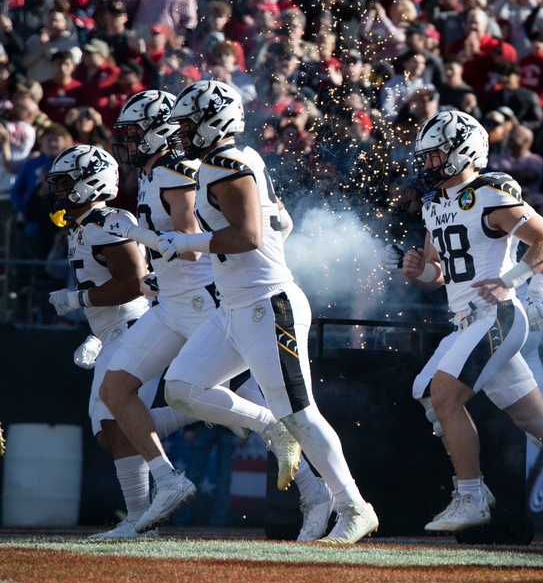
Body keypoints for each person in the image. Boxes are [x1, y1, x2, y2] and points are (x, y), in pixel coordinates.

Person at [99, 90, 334, 540]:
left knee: (254, 402)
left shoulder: (175, 170)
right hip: (172, 302)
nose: (127, 142)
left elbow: (187, 244)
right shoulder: (156, 173)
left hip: (206, 302)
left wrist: (135, 234)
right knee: (117, 388)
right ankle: (167, 482)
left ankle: (317, 491)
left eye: (133, 133)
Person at [389, 109, 543, 550]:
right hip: (467, 320)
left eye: (435, 155)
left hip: (495, 316)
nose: (426, 164)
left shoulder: (488, 194)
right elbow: (441, 275)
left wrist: (513, 280)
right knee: (531, 417)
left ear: (463, 151)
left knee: (443, 395)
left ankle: (471, 493)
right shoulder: (434, 203)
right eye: (425, 157)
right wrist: (419, 272)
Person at [152, 80, 377, 544]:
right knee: (180, 387)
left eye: (192, 122)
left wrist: (188, 241)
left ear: (214, 121)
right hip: (236, 306)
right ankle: (269, 426)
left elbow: (249, 235)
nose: (185, 132)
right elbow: (272, 222)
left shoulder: (225, 164)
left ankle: (355, 507)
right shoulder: (238, 158)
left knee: (302, 412)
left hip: (266, 304)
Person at [42, 144, 155, 538]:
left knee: (115, 420)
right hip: (112, 333)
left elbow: (133, 282)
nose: (57, 190)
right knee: (108, 432)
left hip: (132, 327)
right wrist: (96, 334)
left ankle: (140, 520)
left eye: (64, 182)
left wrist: (77, 300)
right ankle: (142, 518)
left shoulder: (107, 221)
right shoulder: (83, 225)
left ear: (89, 182)